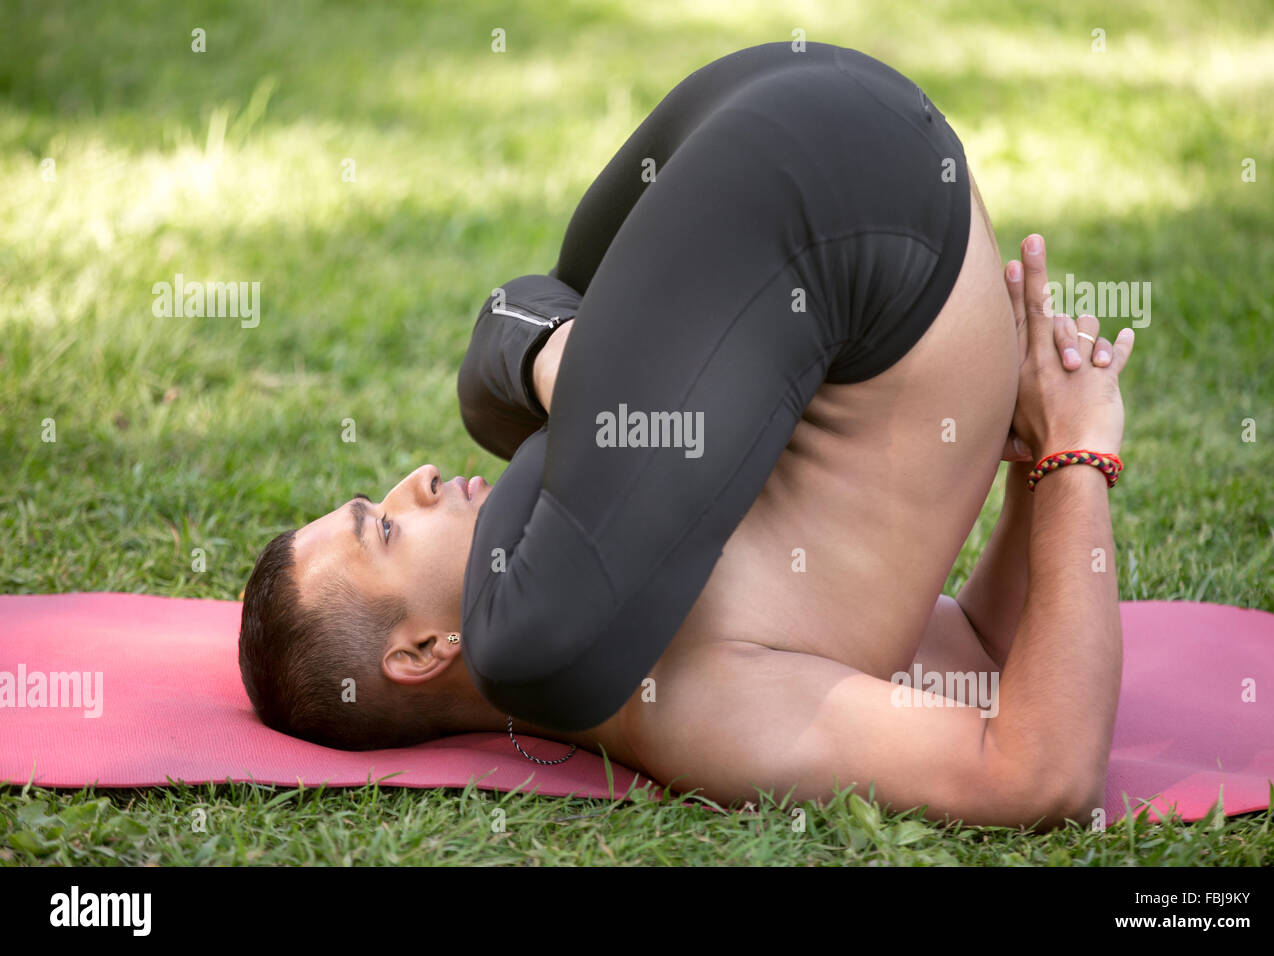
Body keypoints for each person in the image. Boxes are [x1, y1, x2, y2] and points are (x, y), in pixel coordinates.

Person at [239, 41, 1135, 828]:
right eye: (385, 527)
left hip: (793, 140)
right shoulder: (699, 712)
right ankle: (550, 351)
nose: (419, 479)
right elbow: (1029, 753)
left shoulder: (603, 535)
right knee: (525, 432)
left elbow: (981, 661)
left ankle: (548, 348)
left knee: (511, 394)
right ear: (424, 653)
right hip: (846, 181)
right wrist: (1065, 457)